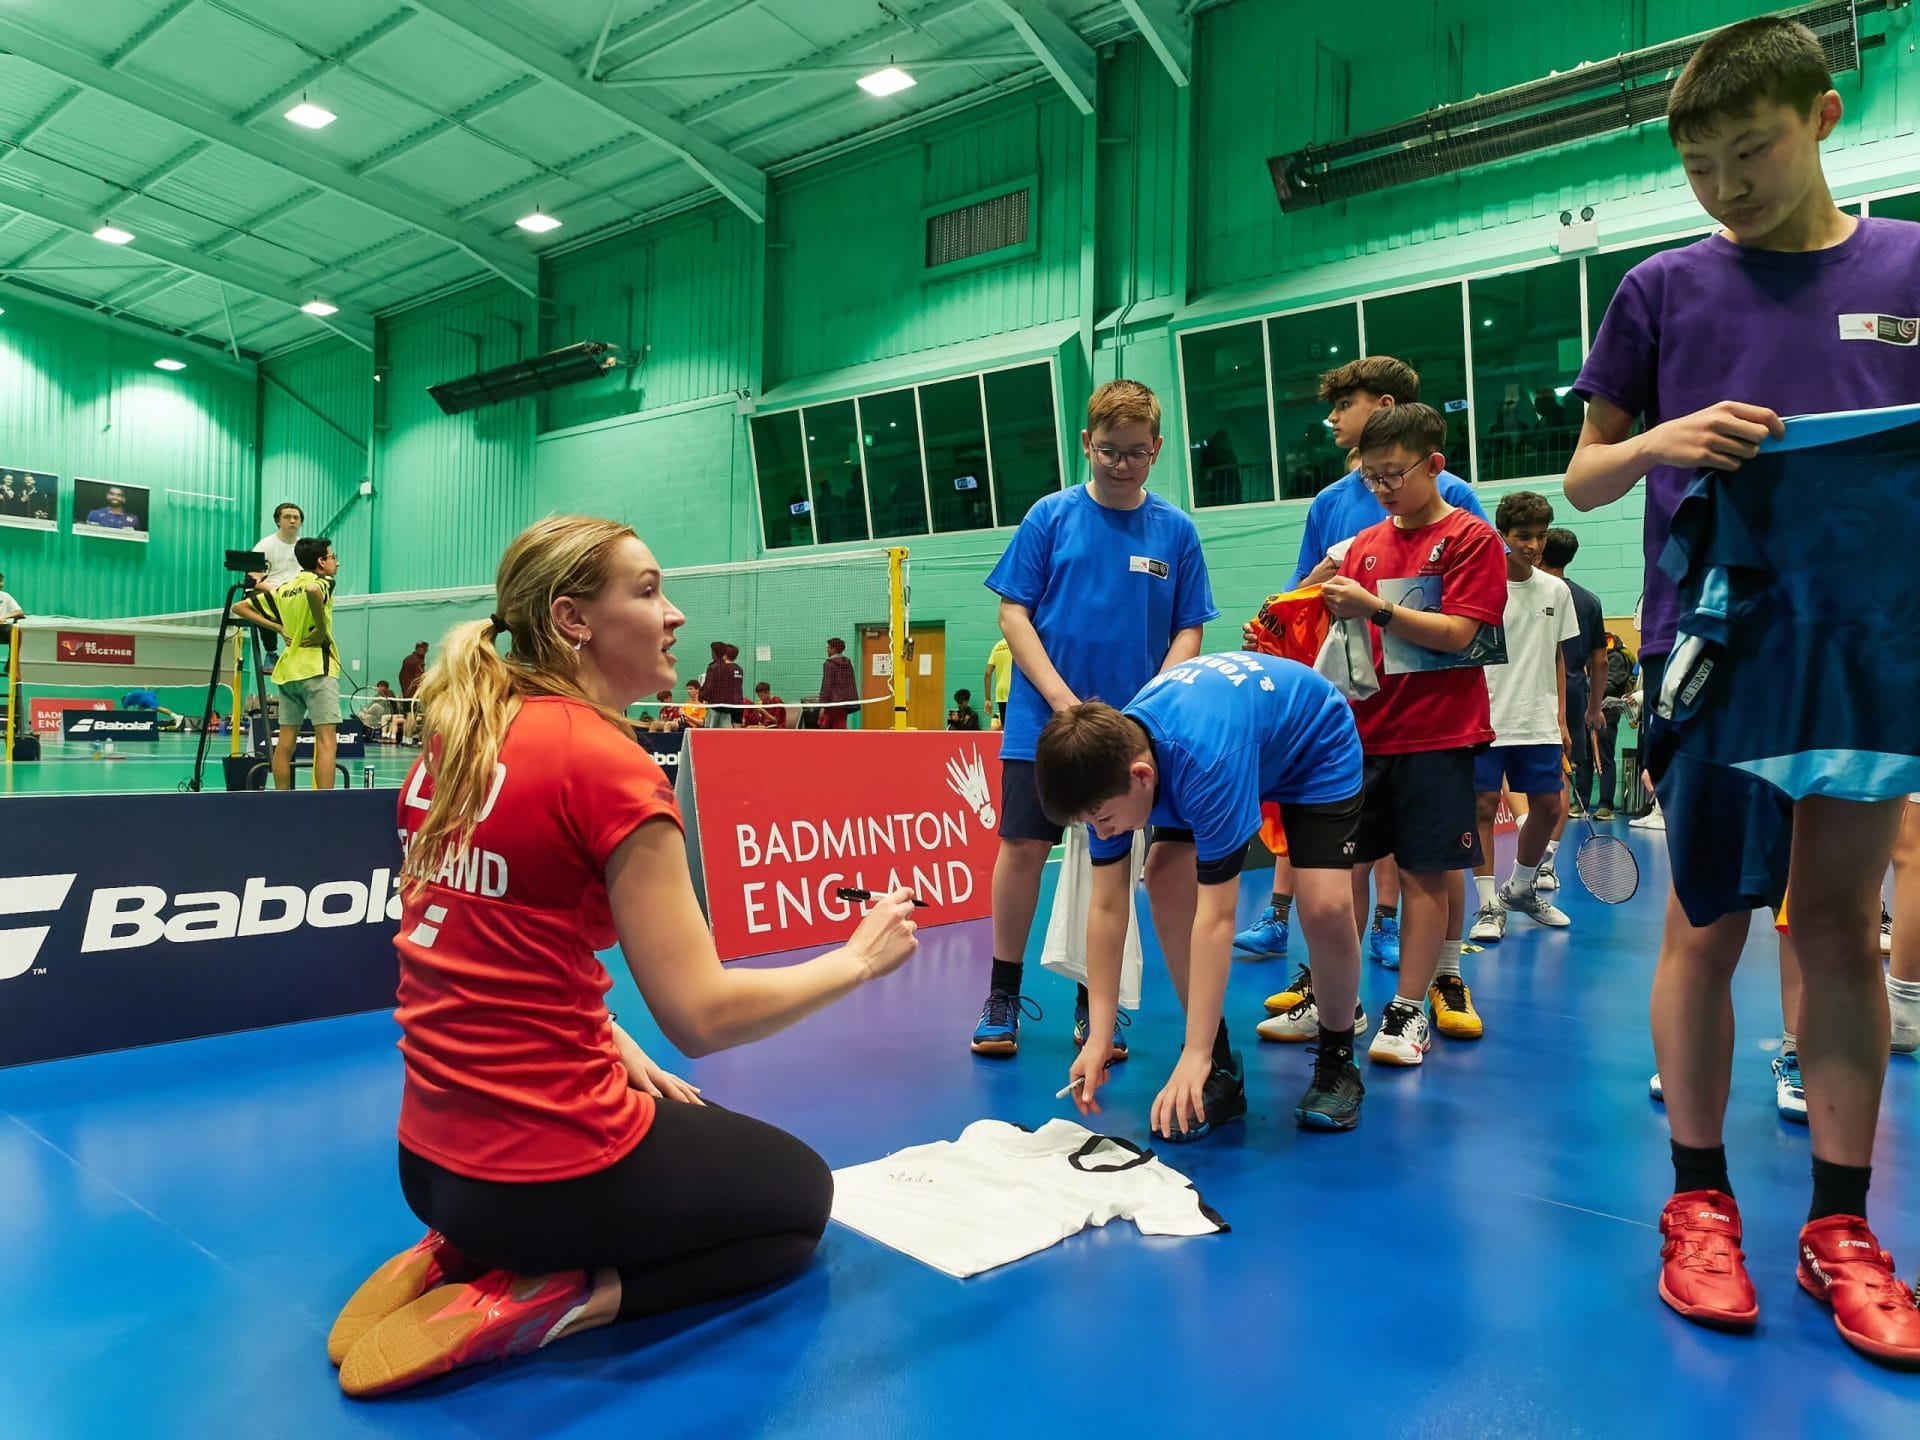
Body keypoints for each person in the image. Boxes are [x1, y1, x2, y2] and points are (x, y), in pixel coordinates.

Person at [326, 515, 920, 1398]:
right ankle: (555, 1292)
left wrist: (608, 1041)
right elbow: (703, 1015)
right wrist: (859, 959)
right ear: (572, 620)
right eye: (646, 592)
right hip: (541, 1175)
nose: (674, 615)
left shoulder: (461, 737)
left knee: (686, 1125)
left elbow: (487, 943)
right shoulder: (606, 762)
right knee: (799, 1206)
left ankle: (464, 1247)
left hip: (427, 1163)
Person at [1565, 16, 1920, 1361]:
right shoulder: (1661, 291)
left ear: (1824, 119)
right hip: (1716, 648)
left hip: (1871, 649)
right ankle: (1697, 1205)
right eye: (1702, 166)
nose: (1727, 185)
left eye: (1751, 152)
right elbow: (1591, 474)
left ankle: (1841, 1225)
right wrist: (1663, 438)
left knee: (1834, 925)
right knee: (1706, 919)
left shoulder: (1910, 269)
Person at [971, 379, 1217, 1061]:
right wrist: (1059, 699)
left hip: (1136, 733)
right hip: (1043, 721)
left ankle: (1092, 1002)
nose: (1122, 464)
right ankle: (1001, 993)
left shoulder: (1176, 530)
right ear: (1086, 444)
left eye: (1137, 453)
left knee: (1111, 863)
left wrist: (1148, 713)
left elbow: (1189, 629)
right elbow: (1012, 612)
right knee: (1023, 850)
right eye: (1109, 451)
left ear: (1157, 449)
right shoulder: (1049, 517)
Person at [1236, 356, 1490, 980]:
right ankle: (1331, 984)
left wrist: (1379, 606)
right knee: (1344, 853)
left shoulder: (1453, 502)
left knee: (1431, 859)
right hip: (1353, 710)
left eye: (1341, 406)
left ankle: (1445, 977)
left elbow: (1471, 613)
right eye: (1375, 479)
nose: (1330, 419)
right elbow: (1307, 586)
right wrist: (1275, 623)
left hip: (1433, 715)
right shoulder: (1333, 505)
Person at [1039, 653, 1367, 1134]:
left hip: (1314, 743)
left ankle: (1339, 1057)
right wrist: (1100, 1033)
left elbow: (1217, 918)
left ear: (1142, 776)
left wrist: (1188, 1053)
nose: (1101, 830)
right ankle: (1218, 1062)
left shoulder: (1205, 761)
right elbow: (1107, 906)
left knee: (1325, 905)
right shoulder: (1106, 776)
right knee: (1166, 873)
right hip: (1233, 734)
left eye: (1103, 820)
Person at [1321, 403, 1506, 1064]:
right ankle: (1338, 996)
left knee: (1425, 875)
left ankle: (1408, 1009)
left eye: (1395, 473)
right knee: (1346, 872)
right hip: (1362, 739)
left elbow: (1460, 634)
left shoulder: (1469, 539)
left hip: (1437, 738)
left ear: (1434, 464)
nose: (1383, 487)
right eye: (1371, 476)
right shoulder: (1365, 546)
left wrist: (1374, 606)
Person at [1467, 493, 1577, 943]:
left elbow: (1557, 657)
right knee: (1483, 807)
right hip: (1487, 717)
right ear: (1503, 535)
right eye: (1523, 536)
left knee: (1549, 807)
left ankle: (1521, 887)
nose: (1533, 545)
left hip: (1538, 719)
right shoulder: (1480, 585)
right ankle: (1489, 905)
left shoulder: (1557, 591)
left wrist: (1562, 718)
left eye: (1540, 535)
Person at [1537, 527, 1609, 891]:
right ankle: (1544, 860)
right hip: (1576, 694)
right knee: (1560, 778)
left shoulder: (1527, 590)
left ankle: (1537, 859)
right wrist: (1594, 708)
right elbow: (1600, 662)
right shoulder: (1590, 600)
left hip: (1535, 693)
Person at [261, 537, 342, 790]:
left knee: (286, 743)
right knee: (326, 741)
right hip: (317, 669)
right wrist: (319, 629)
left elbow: (242, 607)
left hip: (288, 673)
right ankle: (324, 804)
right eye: (333, 557)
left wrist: (277, 627)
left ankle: (283, 799)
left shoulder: (285, 588)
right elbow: (313, 591)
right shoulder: (322, 582)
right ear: (321, 562)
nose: (336, 562)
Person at [700, 641, 744, 728]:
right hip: (738, 704)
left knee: (718, 733)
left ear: (725, 654)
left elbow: (713, 687)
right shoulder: (740, 669)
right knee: (736, 734)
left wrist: (704, 697)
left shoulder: (721, 668)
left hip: (725, 706)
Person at [818, 638, 856, 729]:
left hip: (831, 703)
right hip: (844, 703)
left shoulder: (829, 664)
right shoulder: (848, 663)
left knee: (824, 729)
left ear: (834, 649)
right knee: (840, 730)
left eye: (828, 648)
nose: (827, 650)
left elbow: (827, 684)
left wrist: (822, 705)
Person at [984, 637, 1013, 730]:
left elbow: (987, 673)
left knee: (1006, 728)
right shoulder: (1017, 642)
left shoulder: (997, 646)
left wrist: (987, 699)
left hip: (1001, 692)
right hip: (1015, 690)